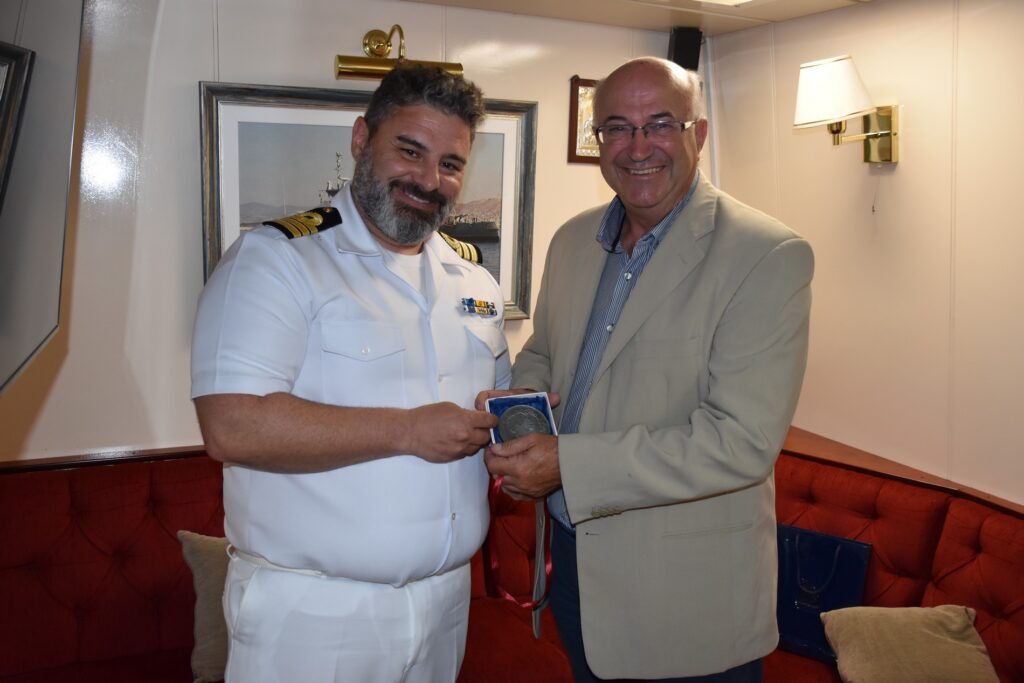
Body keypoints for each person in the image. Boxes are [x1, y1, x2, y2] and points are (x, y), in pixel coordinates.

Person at [478, 57, 814, 682]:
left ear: (698, 134)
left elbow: (739, 443)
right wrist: (520, 420)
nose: (638, 147)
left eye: (660, 124)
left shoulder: (766, 255)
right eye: (617, 127)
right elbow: (545, 354)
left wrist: (565, 464)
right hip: (573, 565)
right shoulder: (573, 240)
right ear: (598, 140)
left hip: (684, 598)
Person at [191, 65, 510, 683]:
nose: (429, 180)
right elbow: (231, 426)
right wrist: (408, 430)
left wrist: (515, 435)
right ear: (362, 139)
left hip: (446, 603)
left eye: (449, 164)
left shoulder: (473, 279)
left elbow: (486, 410)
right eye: (410, 152)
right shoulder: (277, 259)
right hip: (314, 613)